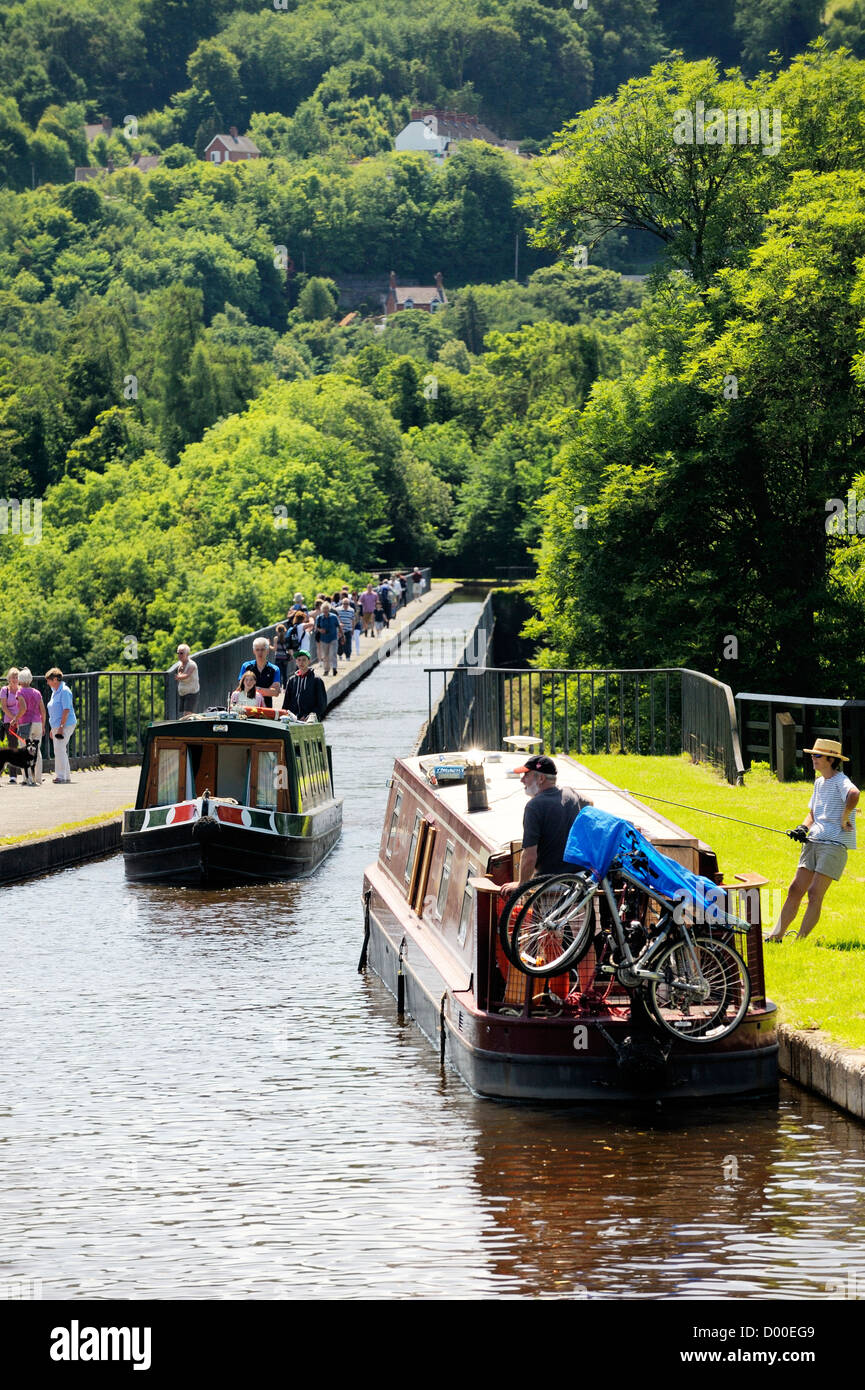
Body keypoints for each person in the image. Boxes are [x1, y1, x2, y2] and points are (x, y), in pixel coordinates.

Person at [765, 738, 859, 943]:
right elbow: (813, 813)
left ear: (831, 759)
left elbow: (854, 794)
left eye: (817, 755)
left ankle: (799, 941)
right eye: (812, 755)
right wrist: (802, 828)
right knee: (795, 889)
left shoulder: (841, 781)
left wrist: (844, 817)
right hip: (814, 840)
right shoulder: (818, 782)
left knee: (814, 892)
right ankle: (776, 936)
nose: (812, 759)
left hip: (834, 845)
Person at [501, 755, 591, 896]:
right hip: (579, 880)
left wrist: (521, 884)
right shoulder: (571, 793)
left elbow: (530, 856)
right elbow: (590, 803)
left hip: (550, 883)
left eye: (526, 775)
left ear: (541, 779)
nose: (522, 780)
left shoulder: (534, 806)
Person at [45, 668, 77, 784]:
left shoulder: (64, 691)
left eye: (48, 680)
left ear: (55, 679)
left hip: (65, 724)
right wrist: (53, 728)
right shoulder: (55, 690)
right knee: (61, 749)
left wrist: (60, 727)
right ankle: (66, 776)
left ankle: (60, 776)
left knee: (59, 749)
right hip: (57, 726)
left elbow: (66, 710)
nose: (47, 683)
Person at [16, 667, 46, 785]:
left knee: (24, 752)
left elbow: (23, 709)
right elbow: (43, 711)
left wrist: (15, 719)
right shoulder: (37, 692)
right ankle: (38, 779)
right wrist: (43, 726)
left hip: (25, 724)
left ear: (20, 680)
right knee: (37, 751)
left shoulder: (20, 692)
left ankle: (27, 779)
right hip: (38, 723)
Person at [282, 652, 327, 722]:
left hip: (310, 719)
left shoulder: (317, 680)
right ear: (296, 662)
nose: (301, 662)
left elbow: (322, 704)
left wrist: (309, 716)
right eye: (299, 660)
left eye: (304, 660)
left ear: (309, 661)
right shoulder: (292, 680)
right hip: (293, 718)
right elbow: (286, 703)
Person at [237, 638, 281, 708]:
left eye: (262, 650)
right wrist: (267, 691)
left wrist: (252, 688)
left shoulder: (274, 669)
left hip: (266, 708)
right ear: (254, 651)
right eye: (257, 650)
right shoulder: (246, 666)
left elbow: (275, 692)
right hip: (247, 707)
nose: (260, 652)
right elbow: (242, 688)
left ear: (267, 651)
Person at [0, 668, 26, 784]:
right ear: (8, 678)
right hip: (8, 722)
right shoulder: (4, 690)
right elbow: (4, 707)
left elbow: (24, 706)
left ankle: (26, 774)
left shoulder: (22, 690)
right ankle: (13, 776)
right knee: (12, 747)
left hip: (22, 720)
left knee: (24, 746)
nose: (15, 679)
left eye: (17, 677)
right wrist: (13, 719)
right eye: (13, 677)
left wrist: (17, 719)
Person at [314, 601, 339, 676]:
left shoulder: (334, 617)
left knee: (333, 653)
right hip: (324, 639)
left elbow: (338, 625)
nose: (325, 610)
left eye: (327, 608)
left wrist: (342, 635)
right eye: (324, 609)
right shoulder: (319, 618)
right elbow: (316, 627)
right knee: (325, 655)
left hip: (333, 637)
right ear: (322, 609)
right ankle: (326, 670)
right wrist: (320, 630)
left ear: (329, 609)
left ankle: (334, 668)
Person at [175, 644, 199, 714]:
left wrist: (179, 677)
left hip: (191, 693)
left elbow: (187, 675)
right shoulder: (180, 664)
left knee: (187, 714)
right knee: (184, 714)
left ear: (187, 654)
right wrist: (179, 676)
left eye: (181, 653)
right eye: (178, 653)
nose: (179, 655)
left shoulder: (192, 664)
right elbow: (180, 674)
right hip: (183, 693)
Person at [336, 597, 355, 663]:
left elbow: (352, 620)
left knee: (348, 643)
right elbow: (337, 619)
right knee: (340, 644)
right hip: (340, 630)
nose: (345, 605)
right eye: (344, 603)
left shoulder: (351, 610)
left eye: (347, 604)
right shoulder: (338, 609)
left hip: (348, 629)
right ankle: (340, 654)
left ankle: (348, 656)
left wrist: (353, 629)